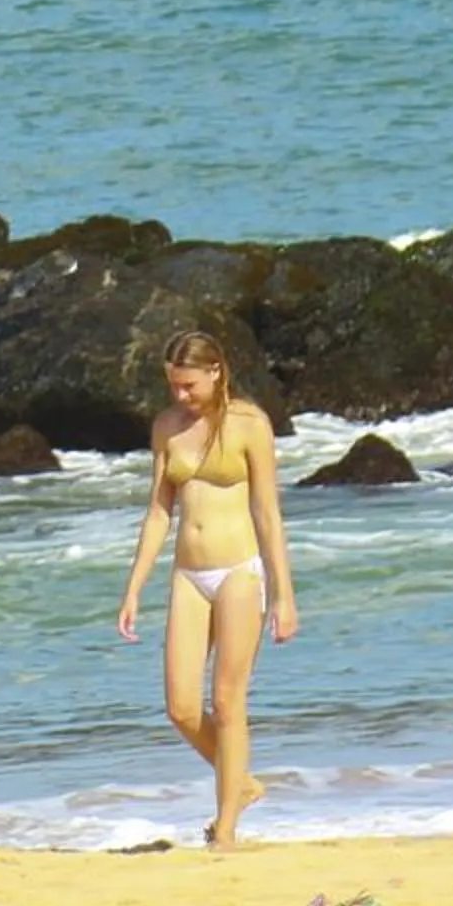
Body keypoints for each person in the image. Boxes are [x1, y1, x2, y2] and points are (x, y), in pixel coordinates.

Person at [116, 332, 299, 847]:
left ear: (216, 372)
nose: (181, 396)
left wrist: (284, 595)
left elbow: (267, 512)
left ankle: (226, 830)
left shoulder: (249, 425)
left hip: (240, 572)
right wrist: (133, 589)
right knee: (181, 707)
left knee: (226, 701)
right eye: (173, 386)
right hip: (189, 577)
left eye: (189, 385)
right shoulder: (167, 429)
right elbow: (158, 512)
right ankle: (238, 782)